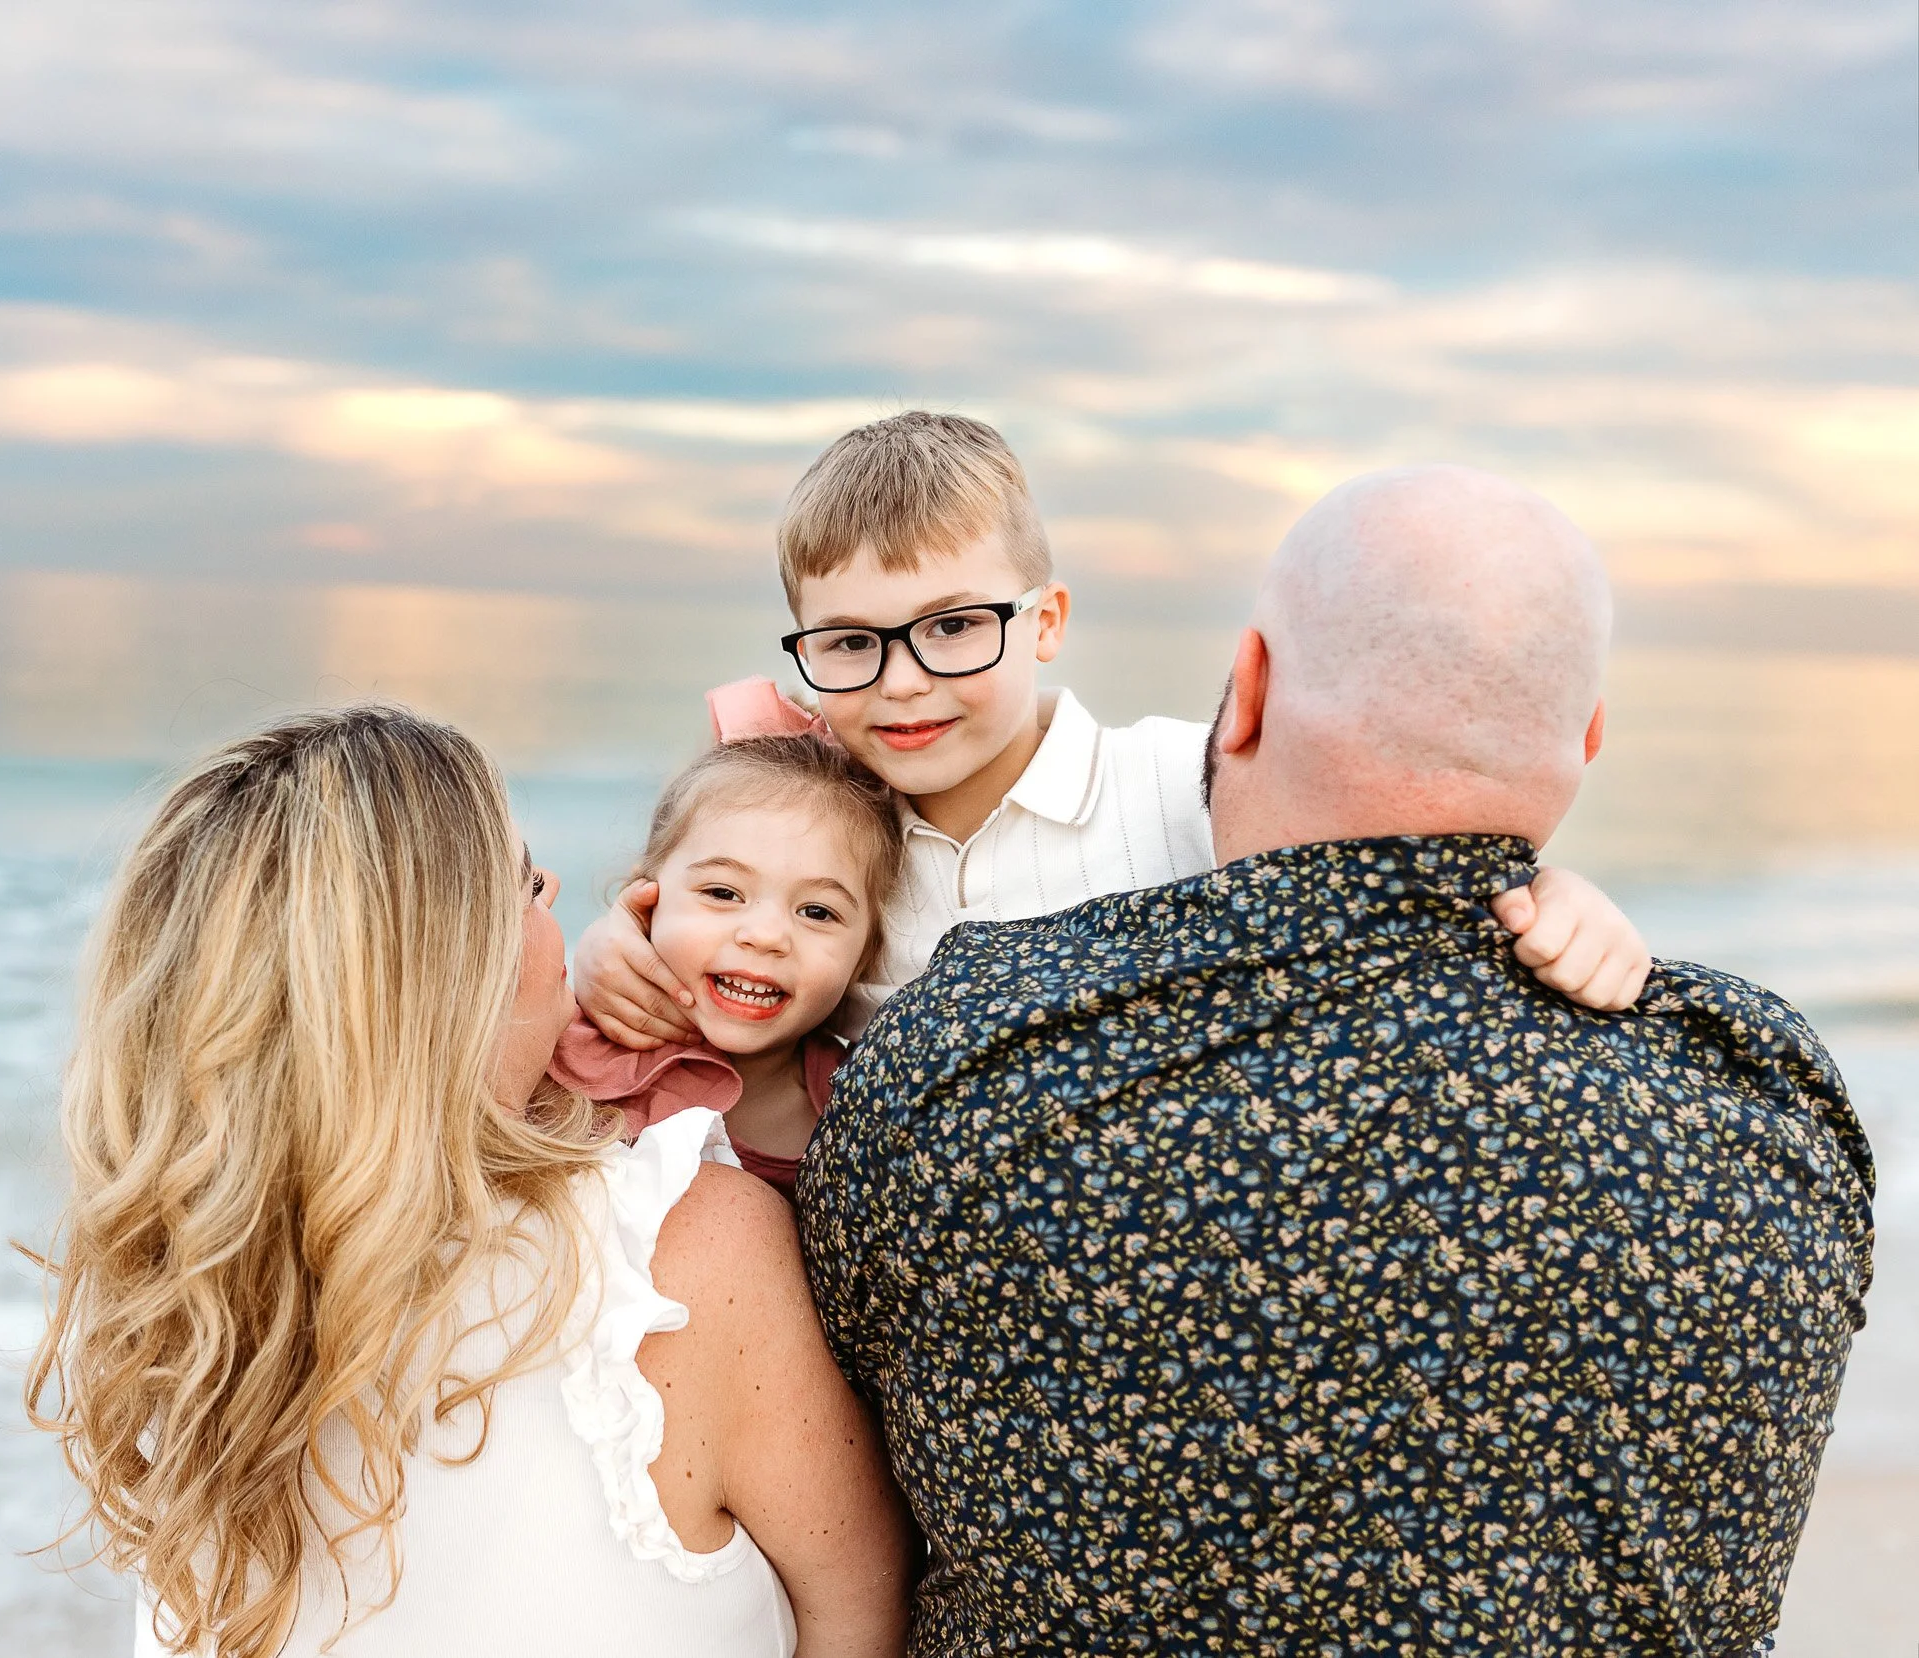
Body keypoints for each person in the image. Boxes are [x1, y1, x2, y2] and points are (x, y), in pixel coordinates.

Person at [796, 466, 1877, 1656]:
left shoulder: (958, 1056)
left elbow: (841, 1403)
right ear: (1589, 740)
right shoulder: (1766, 1096)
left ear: (1244, 692)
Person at [24, 706, 912, 1658]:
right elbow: (861, 1605)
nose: (562, 894)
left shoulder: (177, 1301)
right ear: (449, 967)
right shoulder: (677, 1251)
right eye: (526, 882)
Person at [574, 412, 1654, 1055]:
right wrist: (613, 952)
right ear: (803, 645)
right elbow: (711, 935)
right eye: (852, 641)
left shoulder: (1185, 786)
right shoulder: (801, 832)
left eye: (954, 627)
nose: (903, 685)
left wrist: (1560, 901)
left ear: (1044, 622)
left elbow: (1390, 885)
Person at [549, 734, 903, 1195]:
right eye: (722, 893)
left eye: (817, 912)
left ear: (865, 957)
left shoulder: (863, 1113)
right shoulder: (556, 1052)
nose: (765, 935)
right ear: (645, 902)